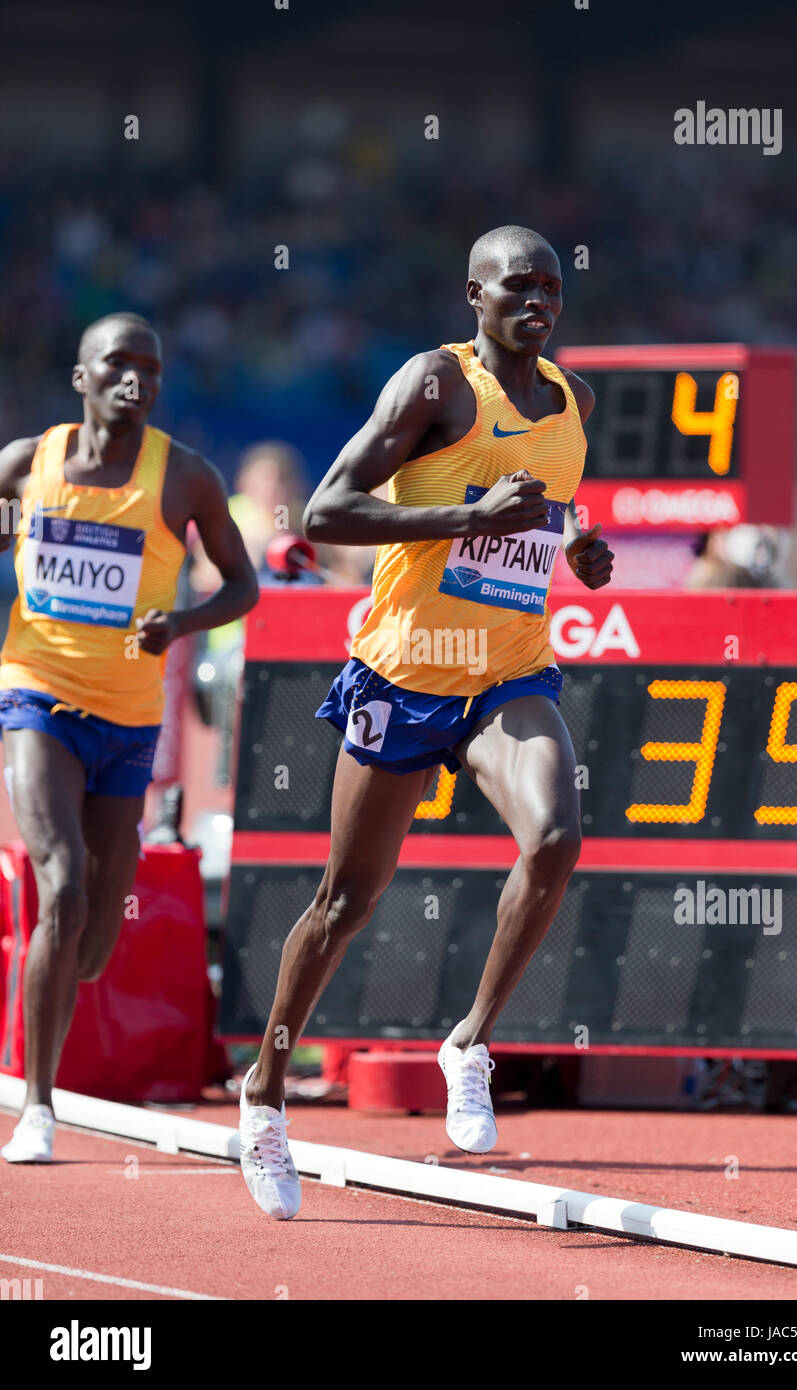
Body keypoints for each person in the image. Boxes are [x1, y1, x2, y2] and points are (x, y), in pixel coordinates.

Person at [238, 225, 613, 1220]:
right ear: (472, 296)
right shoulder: (432, 386)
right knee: (343, 902)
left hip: (506, 670)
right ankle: (265, 1095)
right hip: (404, 671)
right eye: (513, 285)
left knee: (556, 835)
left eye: (548, 284)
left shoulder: (574, 401)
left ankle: (468, 1041)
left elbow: (551, 509)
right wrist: (464, 519)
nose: (534, 298)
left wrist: (576, 543)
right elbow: (323, 513)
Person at [0, 311, 258, 1163]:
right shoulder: (24, 467)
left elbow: (243, 586)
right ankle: (38, 1106)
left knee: (95, 936)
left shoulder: (183, 478)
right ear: (81, 377)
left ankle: (55, 978)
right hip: (37, 694)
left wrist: (180, 621)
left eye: (149, 368)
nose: (134, 380)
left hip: (129, 714)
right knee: (63, 883)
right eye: (116, 365)